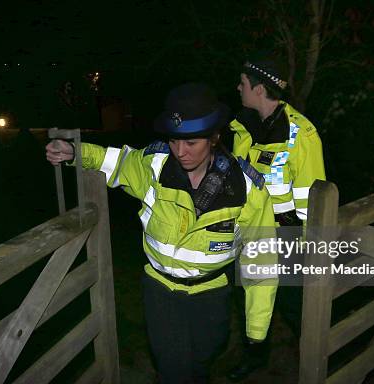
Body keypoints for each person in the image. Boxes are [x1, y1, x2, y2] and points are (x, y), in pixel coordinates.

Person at [46, 83, 278, 384]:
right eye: (173, 141)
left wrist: (257, 327)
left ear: (213, 137)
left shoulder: (246, 188)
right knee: (173, 369)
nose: (180, 152)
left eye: (191, 142)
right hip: (161, 293)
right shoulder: (153, 166)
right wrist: (75, 152)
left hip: (212, 294)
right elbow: (115, 161)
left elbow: (262, 258)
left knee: (201, 363)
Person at [226, 54, 326, 381]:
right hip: (249, 234)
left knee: (294, 306)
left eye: (242, 83)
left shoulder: (302, 134)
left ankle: (320, 360)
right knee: (250, 300)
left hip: (287, 242)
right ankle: (255, 356)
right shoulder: (242, 127)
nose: (237, 88)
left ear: (258, 88)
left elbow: (314, 201)